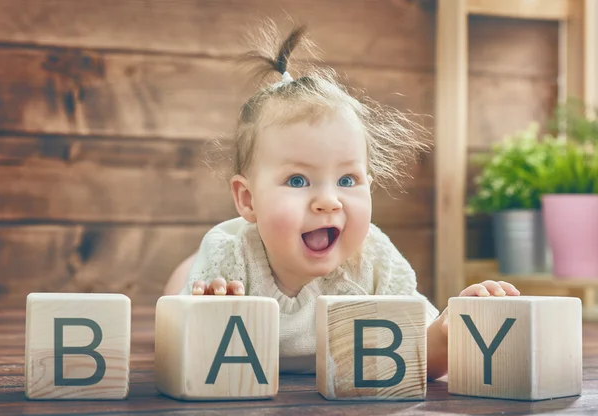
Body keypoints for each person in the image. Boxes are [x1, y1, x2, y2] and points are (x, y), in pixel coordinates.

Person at [163, 23, 520, 379]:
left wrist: (449, 328)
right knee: (182, 285)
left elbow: (419, 351)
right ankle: (185, 269)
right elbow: (179, 349)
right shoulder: (229, 258)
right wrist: (204, 308)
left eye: (347, 180)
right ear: (248, 199)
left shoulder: (374, 260)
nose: (328, 201)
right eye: (298, 180)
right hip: (224, 275)